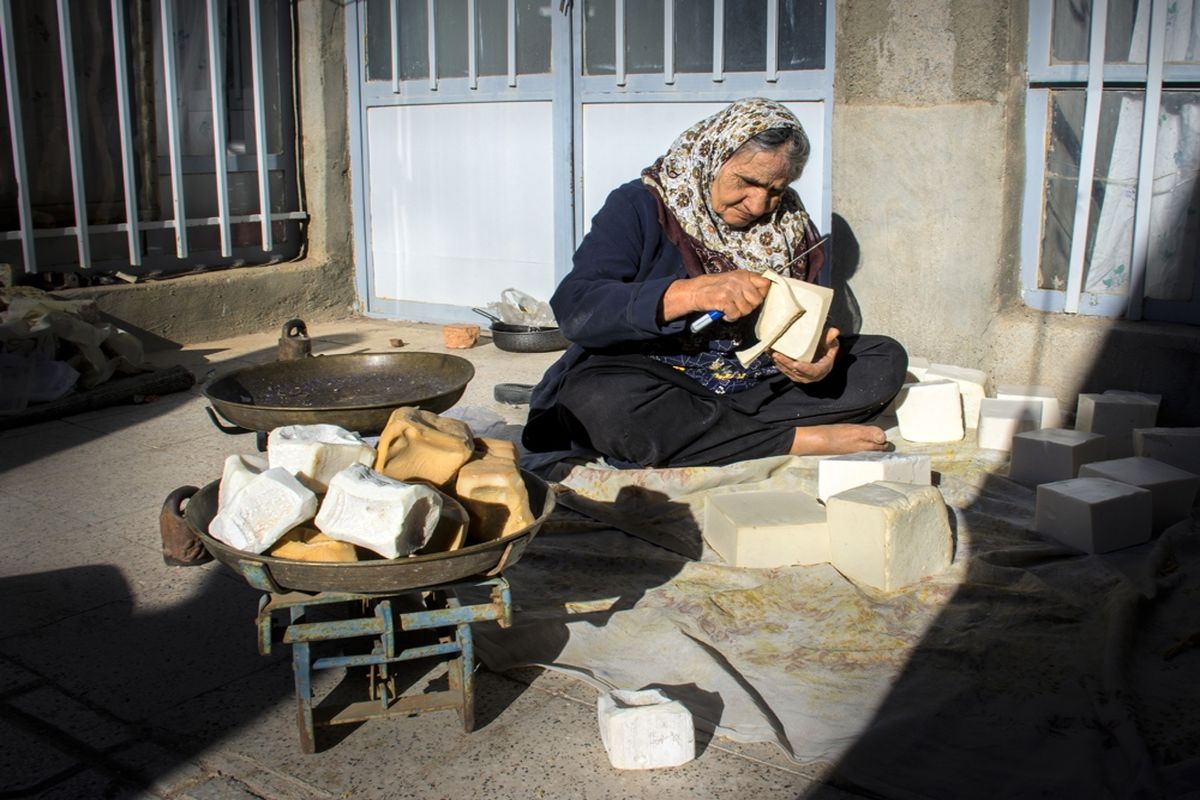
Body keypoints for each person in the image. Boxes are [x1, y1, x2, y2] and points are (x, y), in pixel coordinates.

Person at [521, 98, 907, 474]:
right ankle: (792, 439)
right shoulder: (639, 205)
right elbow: (576, 306)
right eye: (747, 182)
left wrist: (817, 362)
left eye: (775, 189)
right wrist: (690, 293)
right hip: (651, 374)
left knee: (884, 360)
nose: (758, 205)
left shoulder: (788, 222)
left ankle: (707, 433)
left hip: (749, 379)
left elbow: (805, 321)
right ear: (712, 156)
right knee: (600, 403)